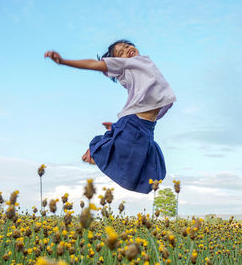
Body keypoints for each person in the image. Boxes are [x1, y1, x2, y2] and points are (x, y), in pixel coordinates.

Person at [44, 39, 176, 193]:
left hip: (146, 126)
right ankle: (96, 152)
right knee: (138, 161)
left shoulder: (143, 61)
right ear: (117, 62)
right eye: (121, 53)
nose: (127, 50)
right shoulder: (126, 65)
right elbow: (94, 64)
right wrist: (64, 62)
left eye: (127, 46)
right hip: (135, 122)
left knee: (152, 167)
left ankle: (112, 135)